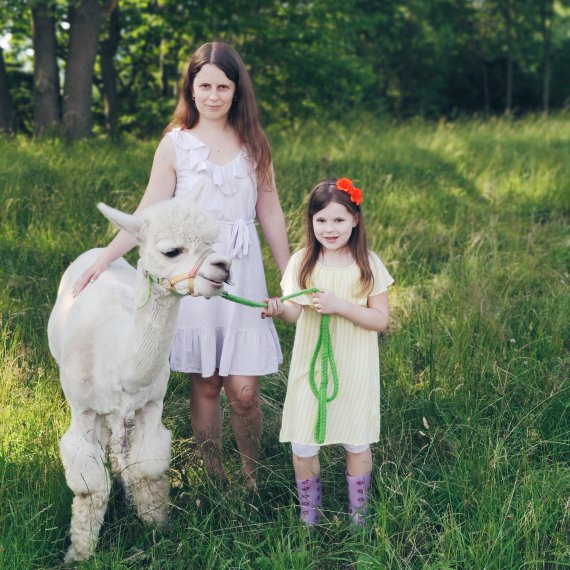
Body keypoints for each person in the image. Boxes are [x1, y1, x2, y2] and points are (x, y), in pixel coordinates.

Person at [72, 42, 290, 488]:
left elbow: (271, 211)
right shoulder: (176, 144)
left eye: (223, 87)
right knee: (206, 385)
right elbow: (148, 211)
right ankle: (214, 477)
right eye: (204, 85)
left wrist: (291, 276)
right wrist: (104, 259)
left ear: (236, 91)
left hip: (242, 271)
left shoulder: (254, 143)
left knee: (244, 394)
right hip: (195, 276)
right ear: (190, 88)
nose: (213, 95)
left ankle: (252, 476)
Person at [261, 177, 393, 525]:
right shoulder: (302, 263)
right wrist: (279, 309)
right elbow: (295, 311)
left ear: (355, 219)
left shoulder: (368, 265)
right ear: (311, 222)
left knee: (356, 439)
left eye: (338, 219)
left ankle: (359, 516)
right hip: (311, 364)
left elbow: (380, 320)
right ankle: (310, 515)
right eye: (321, 220)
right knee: (303, 441)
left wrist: (340, 305)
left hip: (354, 366)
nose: (329, 228)